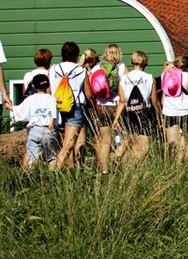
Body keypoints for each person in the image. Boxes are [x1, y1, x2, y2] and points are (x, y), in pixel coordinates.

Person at [112, 51, 161, 161]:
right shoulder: (149, 78)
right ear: (145, 62)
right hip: (144, 113)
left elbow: (122, 101)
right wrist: (159, 116)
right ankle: (130, 168)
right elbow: (154, 101)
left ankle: (118, 164)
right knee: (143, 146)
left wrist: (116, 119)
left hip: (128, 112)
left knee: (130, 143)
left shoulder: (124, 78)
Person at [50, 41, 93, 169]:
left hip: (56, 106)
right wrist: (93, 106)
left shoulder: (53, 68)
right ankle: (55, 170)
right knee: (69, 143)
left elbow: (49, 88)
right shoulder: (81, 70)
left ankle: (62, 168)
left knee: (61, 142)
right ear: (76, 55)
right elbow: (88, 93)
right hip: (75, 106)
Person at [88, 44, 126, 173]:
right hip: (117, 106)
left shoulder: (97, 67)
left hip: (101, 106)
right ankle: (116, 161)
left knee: (105, 141)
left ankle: (104, 171)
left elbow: (90, 88)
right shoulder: (122, 68)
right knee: (122, 138)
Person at [12, 74, 58, 167]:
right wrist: (52, 125)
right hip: (48, 129)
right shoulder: (52, 98)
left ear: (33, 86)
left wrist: (10, 107)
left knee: (32, 156)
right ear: (48, 85)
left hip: (34, 130)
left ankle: (32, 177)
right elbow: (53, 113)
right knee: (52, 157)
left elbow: (20, 112)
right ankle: (54, 176)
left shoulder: (30, 99)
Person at [160, 55, 188, 161]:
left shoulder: (165, 74)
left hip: (169, 111)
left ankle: (175, 166)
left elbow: (163, 99)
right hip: (186, 111)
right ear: (187, 66)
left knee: (173, 142)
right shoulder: (187, 75)